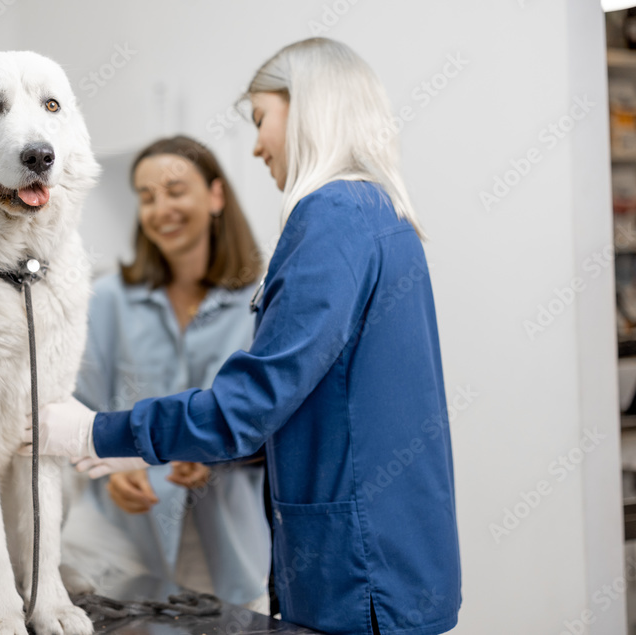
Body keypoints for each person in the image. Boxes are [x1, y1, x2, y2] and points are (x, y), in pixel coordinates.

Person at [25, 38, 461, 635]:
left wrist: (92, 431)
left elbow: (249, 406)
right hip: (393, 564)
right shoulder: (378, 213)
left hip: (359, 575)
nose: (256, 145)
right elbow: (316, 406)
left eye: (261, 120)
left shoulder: (331, 216)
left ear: (308, 107)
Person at [62, 135, 271, 612]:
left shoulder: (260, 301)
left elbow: (272, 417)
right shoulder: (110, 299)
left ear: (216, 195)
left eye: (175, 190)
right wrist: (107, 471)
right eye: (147, 196)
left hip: (231, 550)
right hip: (122, 544)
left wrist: (219, 456)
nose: (160, 209)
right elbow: (77, 411)